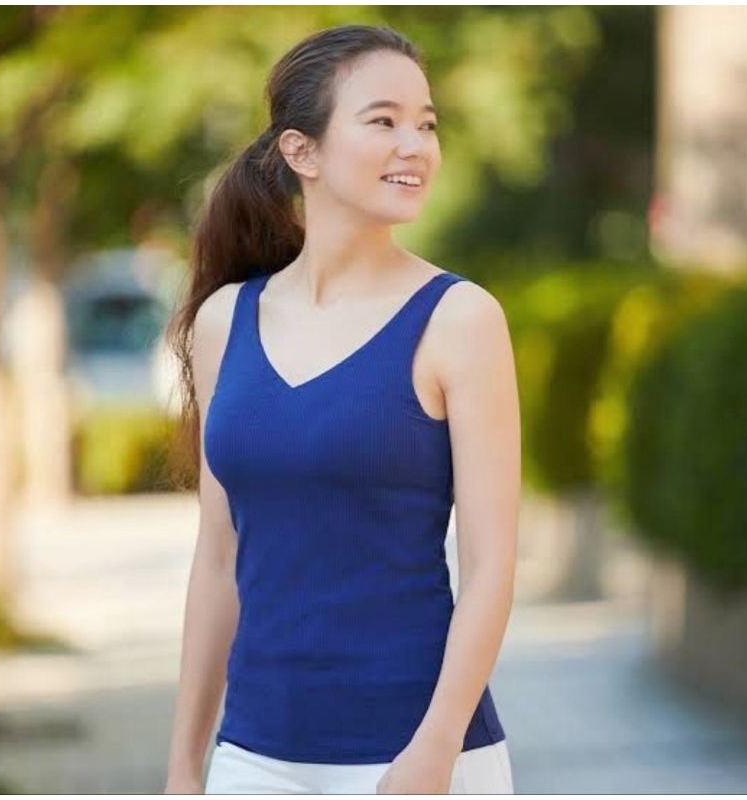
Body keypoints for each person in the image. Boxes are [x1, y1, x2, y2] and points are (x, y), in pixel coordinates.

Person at [163, 22, 521, 795]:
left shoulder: (459, 320)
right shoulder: (224, 322)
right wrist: (184, 763)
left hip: (416, 757)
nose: (416, 145)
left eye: (427, 124)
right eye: (384, 120)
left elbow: (491, 565)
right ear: (303, 151)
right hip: (253, 760)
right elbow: (219, 558)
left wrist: (433, 756)